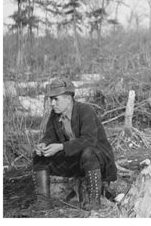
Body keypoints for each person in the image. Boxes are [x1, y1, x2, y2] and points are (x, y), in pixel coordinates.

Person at [32, 78, 117, 210]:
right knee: (39, 156)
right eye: (50, 99)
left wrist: (61, 147)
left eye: (56, 99)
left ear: (68, 98)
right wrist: (43, 144)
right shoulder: (55, 115)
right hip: (76, 161)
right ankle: (44, 202)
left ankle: (94, 202)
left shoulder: (85, 110)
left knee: (88, 152)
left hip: (99, 161)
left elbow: (89, 140)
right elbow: (49, 136)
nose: (52, 103)